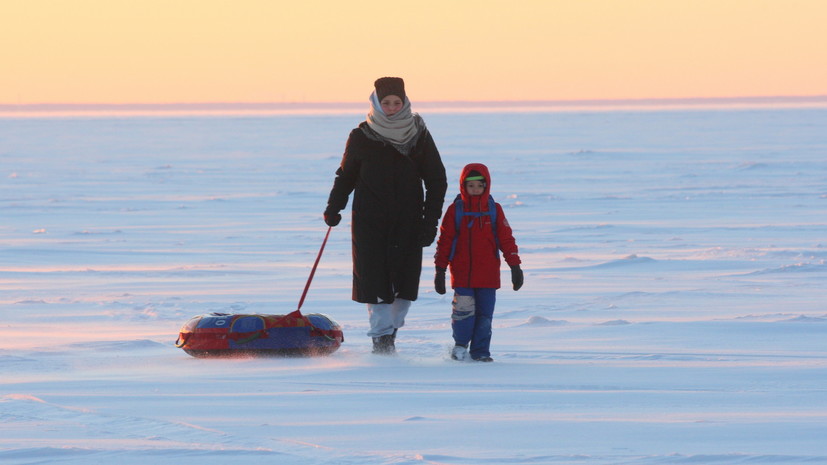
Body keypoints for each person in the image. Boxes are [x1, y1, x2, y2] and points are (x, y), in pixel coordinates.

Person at [324, 77, 447, 355]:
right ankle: (381, 342)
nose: (391, 108)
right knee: (374, 280)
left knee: (404, 284)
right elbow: (346, 177)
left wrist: (430, 222)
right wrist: (334, 207)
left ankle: (391, 331)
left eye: (397, 103)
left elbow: (437, 180)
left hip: (409, 218)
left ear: (405, 104)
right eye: (386, 103)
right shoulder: (361, 135)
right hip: (370, 220)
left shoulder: (419, 135)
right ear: (376, 103)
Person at [433, 163, 523, 362]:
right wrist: (440, 269)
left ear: (486, 186)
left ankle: (481, 351)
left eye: (479, 186)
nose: (475, 190)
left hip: (488, 275)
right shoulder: (455, 210)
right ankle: (460, 346)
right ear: (463, 186)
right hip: (462, 274)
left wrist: (515, 266)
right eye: (470, 186)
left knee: (484, 316)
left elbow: (506, 239)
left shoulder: (494, 210)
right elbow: (445, 241)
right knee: (463, 314)